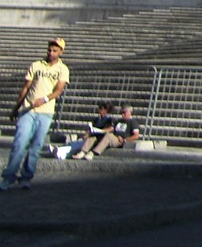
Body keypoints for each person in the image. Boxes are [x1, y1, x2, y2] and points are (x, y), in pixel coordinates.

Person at [1, 38, 70, 190]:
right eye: (50, 50)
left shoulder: (63, 69)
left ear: (61, 52)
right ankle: (9, 177)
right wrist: (16, 108)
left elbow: (58, 90)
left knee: (36, 146)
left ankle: (26, 176)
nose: (51, 53)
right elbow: (26, 88)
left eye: (55, 51)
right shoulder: (36, 65)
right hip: (28, 109)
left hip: (45, 112)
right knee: (19, 143)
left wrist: (44, 99)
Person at [75, 104, 142, 159]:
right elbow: (111, 128)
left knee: (109, 136)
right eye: (121, 112)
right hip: (114, 136)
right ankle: (83, 151)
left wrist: (124, 140)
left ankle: (93, 152)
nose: (122, 114)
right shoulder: (118, 121)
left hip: (119, 140)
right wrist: (99, 131)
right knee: (96, 135)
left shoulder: (133, 122)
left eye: (124, 112)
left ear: (130, 112)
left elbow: (136, 135)